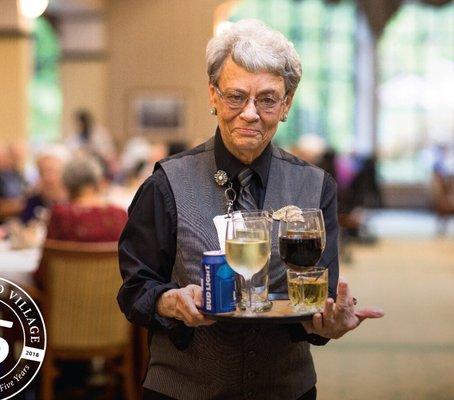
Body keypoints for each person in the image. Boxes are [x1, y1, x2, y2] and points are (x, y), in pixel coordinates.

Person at [117, 19, 384, 400]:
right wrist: (168, 302)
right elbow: (134, 289)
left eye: (268, 99)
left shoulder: (315, 186)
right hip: (184, 390)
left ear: (287, 103)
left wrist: (327, 323)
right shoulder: (165, 184)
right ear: (213, 95)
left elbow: (317, 297)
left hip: (285, 389)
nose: (250, 113)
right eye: (236, 96)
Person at [45, 156, 127, 242]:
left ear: (66, 184)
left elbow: (49, 251)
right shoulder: (119, 214)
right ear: (97, 180)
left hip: (72, 256)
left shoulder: (61, 214)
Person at [20, 145, 69, 224]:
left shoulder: (74, 199)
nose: (46, 177)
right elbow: (25, 224)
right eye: (42, 172)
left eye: (51, 171)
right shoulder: (33, 200)